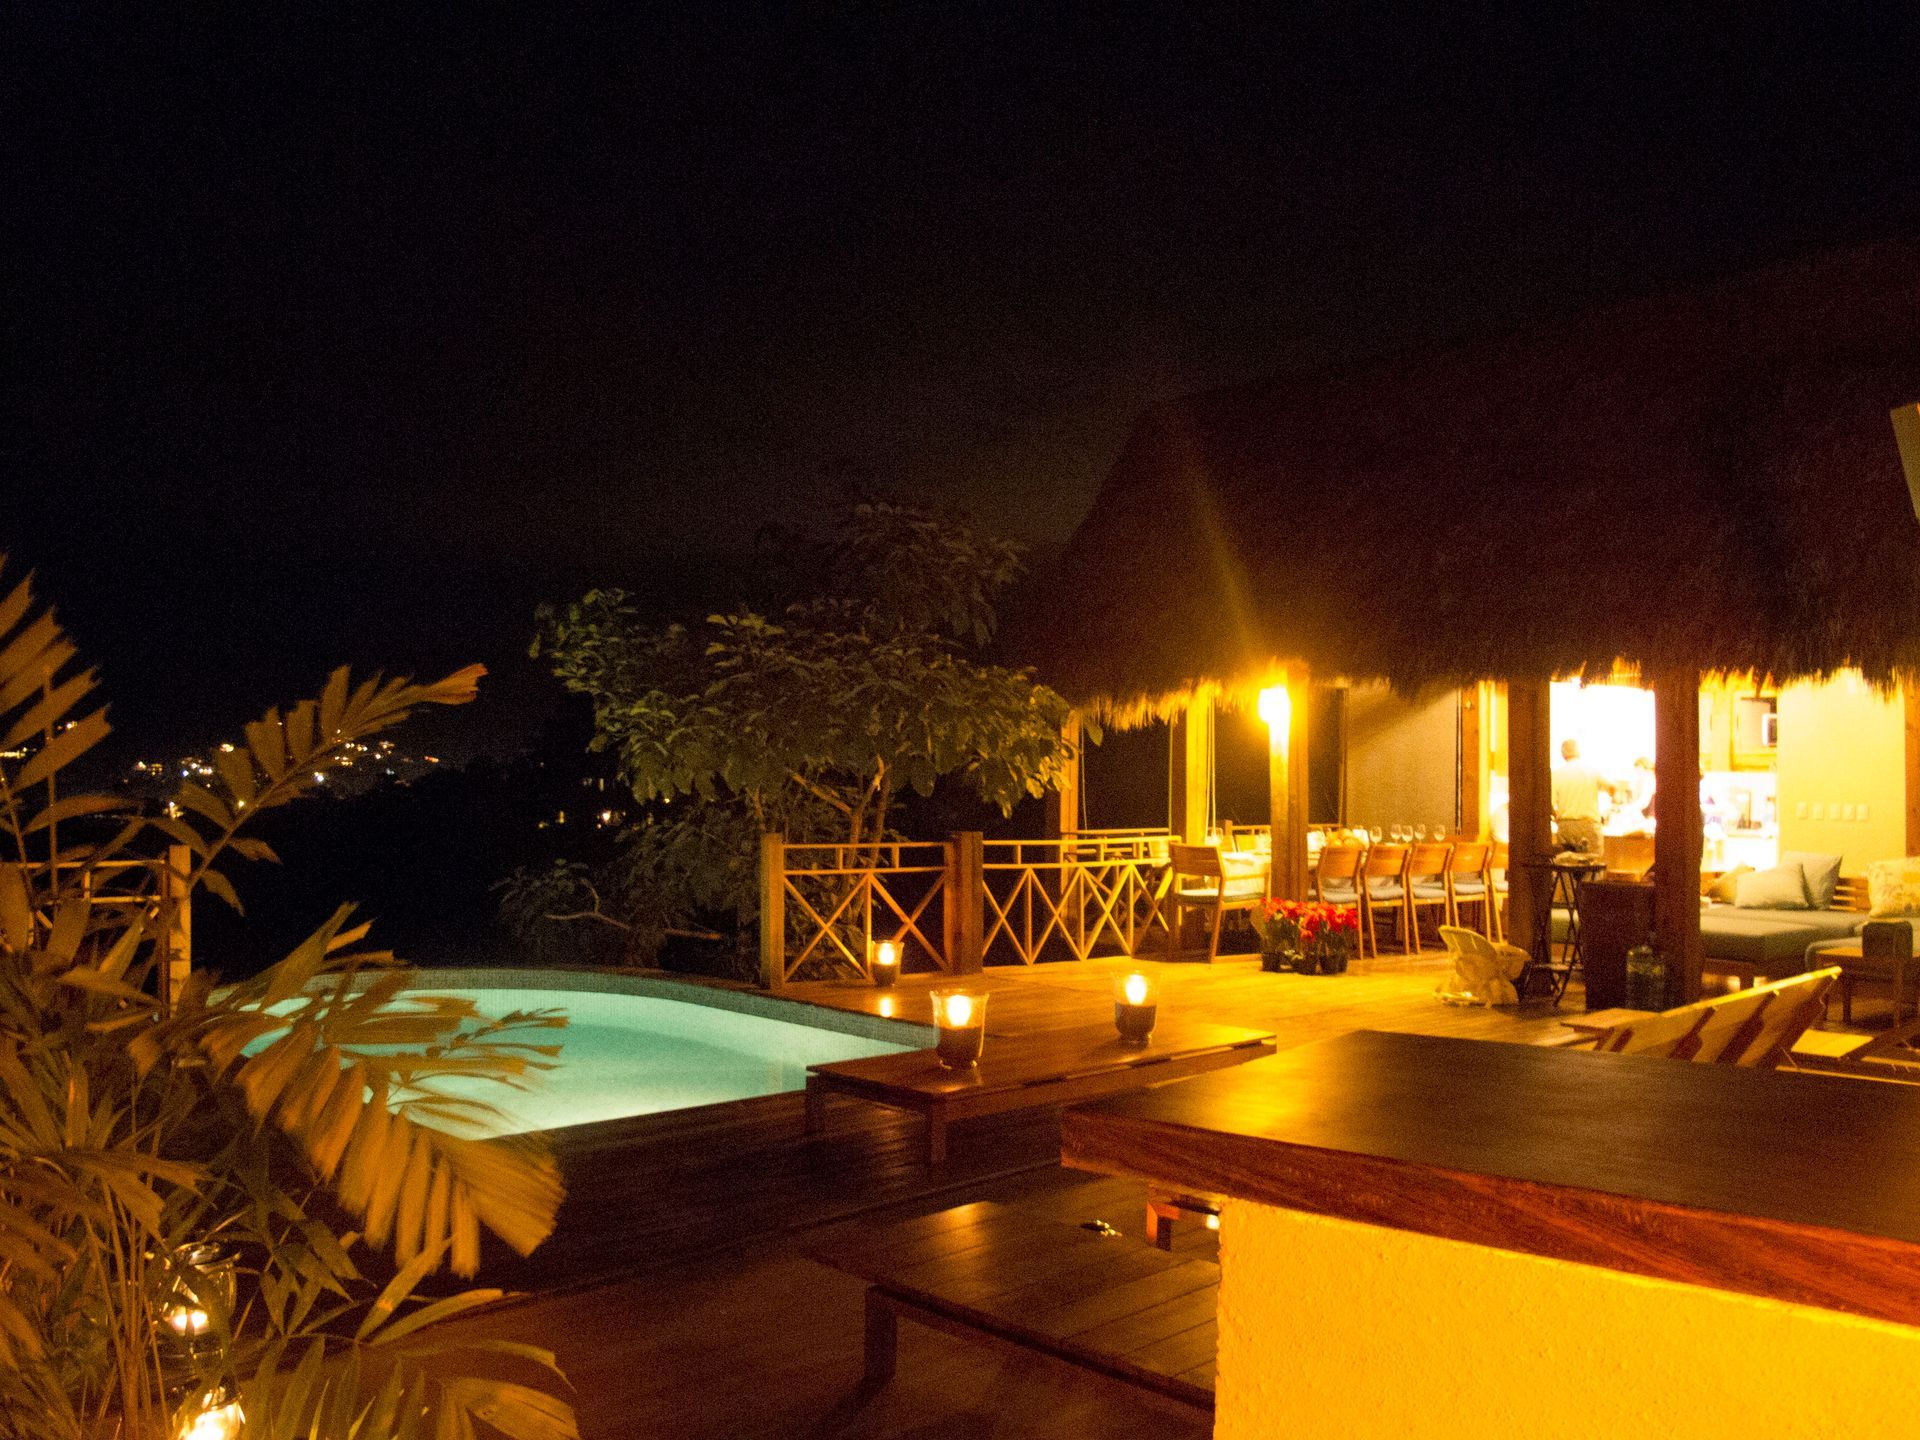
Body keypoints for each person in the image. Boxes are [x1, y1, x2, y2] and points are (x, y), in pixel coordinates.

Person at [1551, 739, 1607, 857]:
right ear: (1579, 752)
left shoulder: (1557, 774)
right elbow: (1612, 788)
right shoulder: (1592, 771)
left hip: (1566, 825)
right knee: (1593, 865)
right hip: (1589, 824)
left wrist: (1557, 817)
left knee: (1565, 865)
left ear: (1562, 754)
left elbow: (1549, 804)